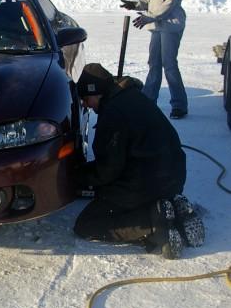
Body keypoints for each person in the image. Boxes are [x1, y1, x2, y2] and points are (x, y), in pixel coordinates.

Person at [73, 63, 204, 259]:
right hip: (174, 177)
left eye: (85, 98)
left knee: (87, 225)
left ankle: (154, 224)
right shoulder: (134, 97)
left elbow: (108, 170)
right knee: (118, 191)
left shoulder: (112, 114)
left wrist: (78, 176)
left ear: (97, 92)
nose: (85, 105)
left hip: (146, 183)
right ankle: (171, 208)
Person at [120, 0, 188, 119]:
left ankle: (179, 105)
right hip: (157, 24)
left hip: (171, 24)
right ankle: (148, 100)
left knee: (169, 65)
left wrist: (150, 16)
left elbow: (171, 2)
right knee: (154, 63)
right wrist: (135, 4)